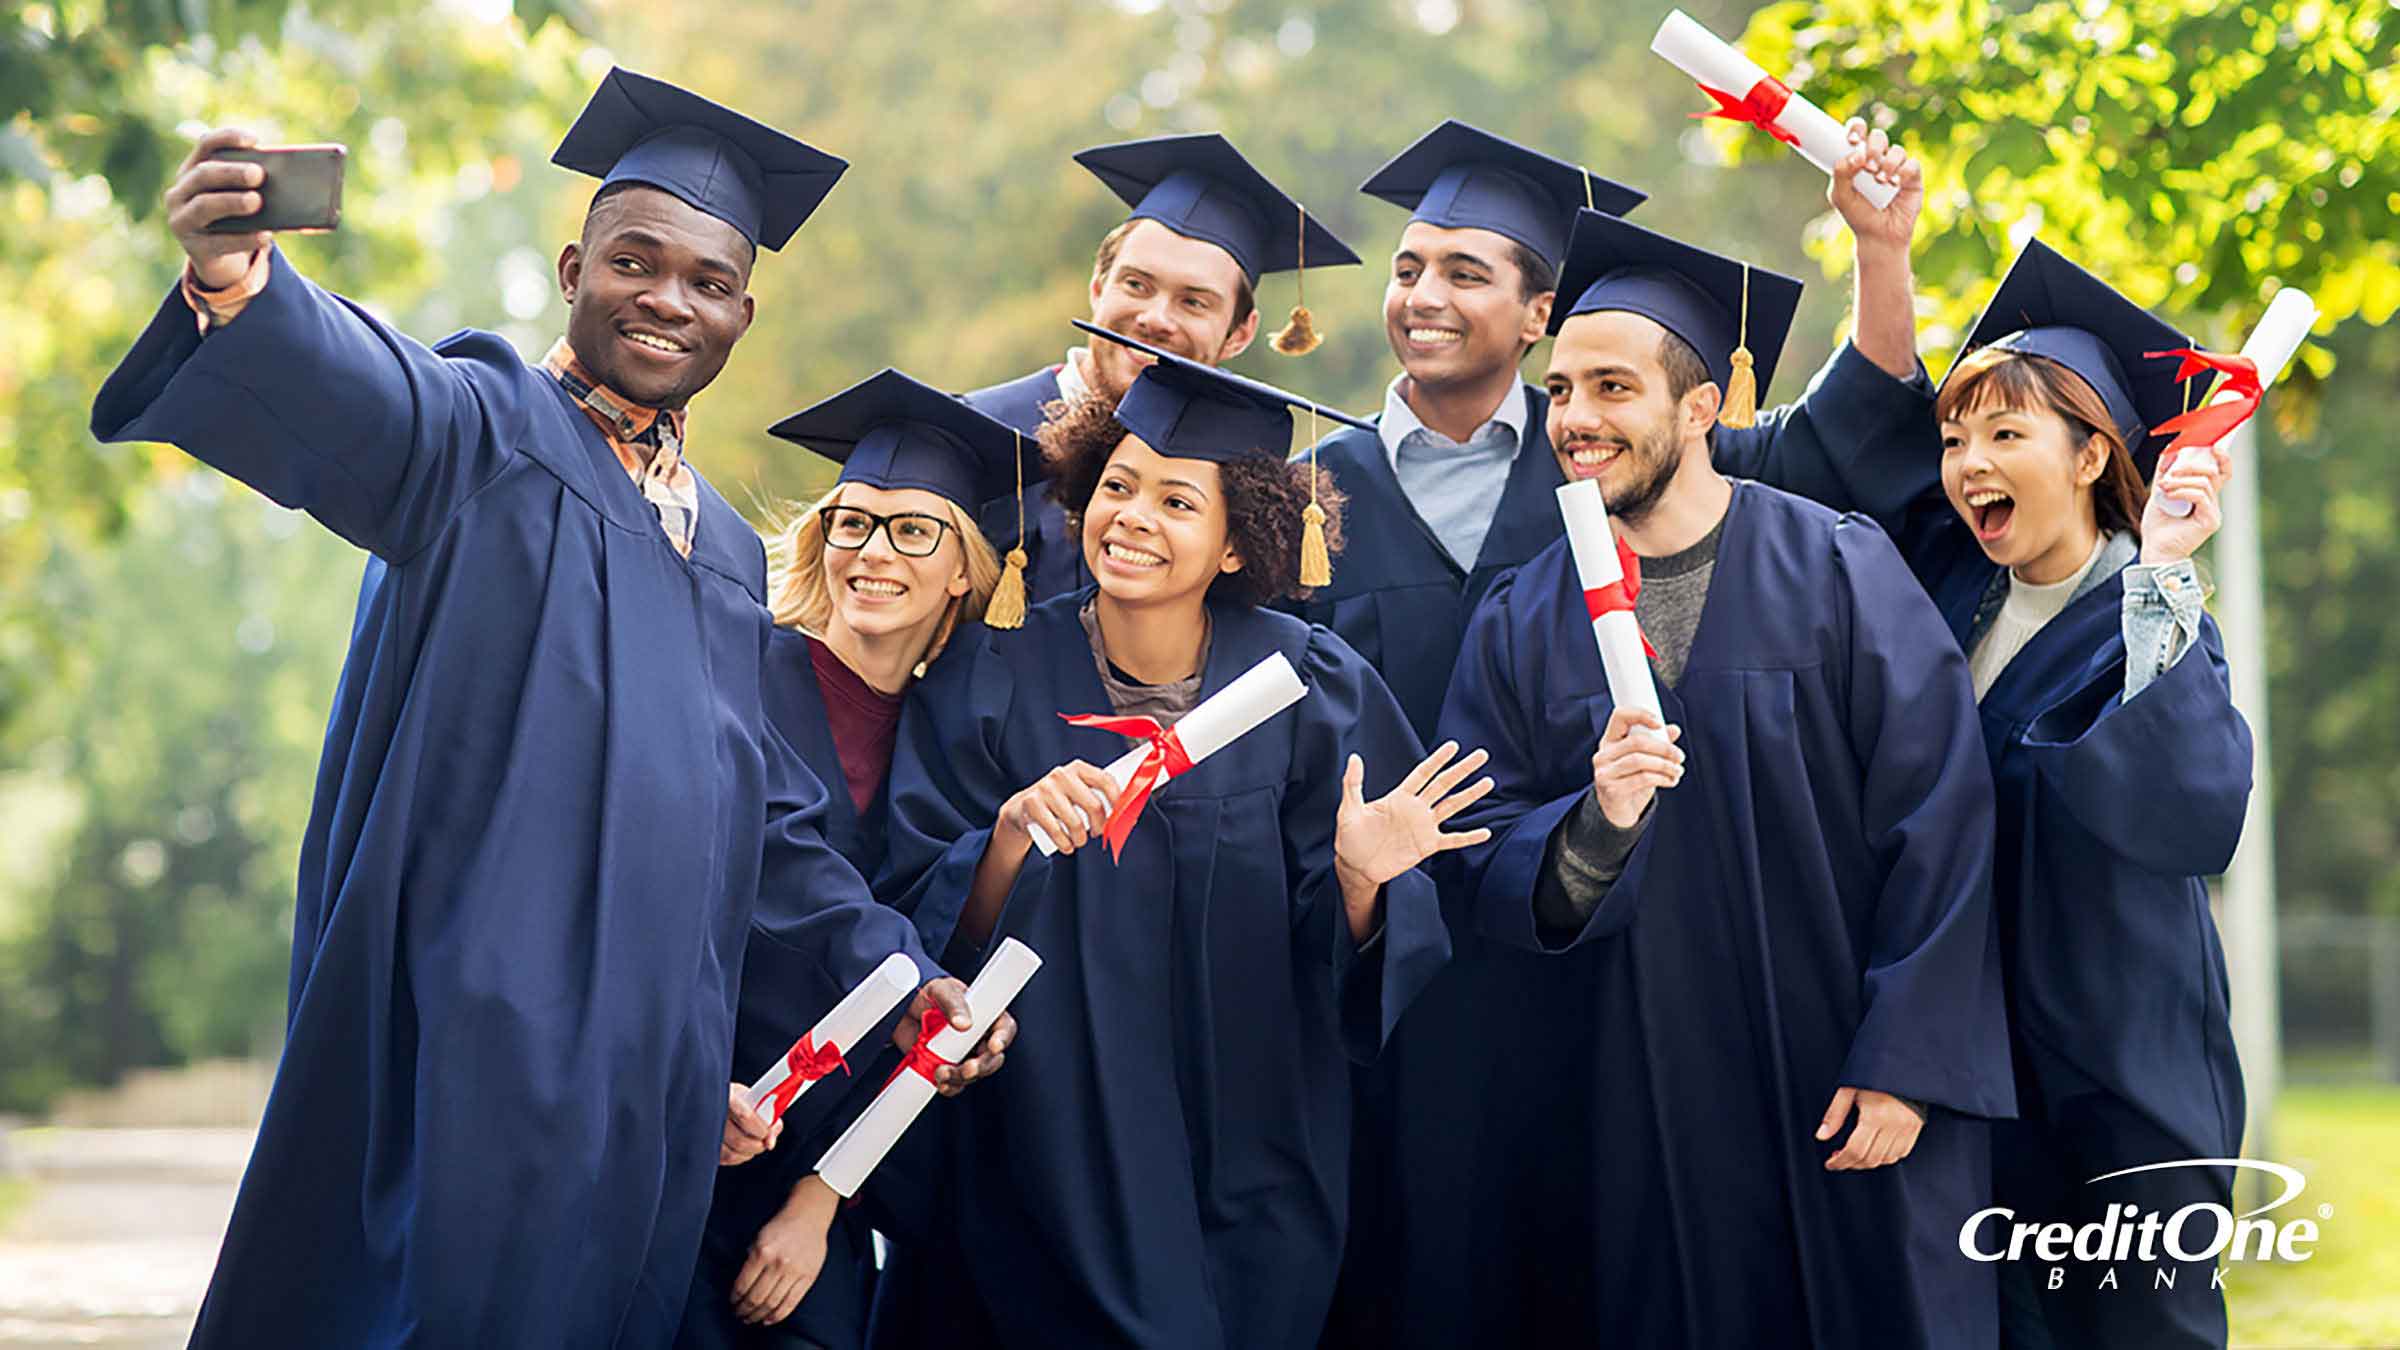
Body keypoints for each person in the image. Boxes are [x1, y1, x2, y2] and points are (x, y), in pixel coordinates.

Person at [90, 70, 1004, 1348]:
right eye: (637, 262)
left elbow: (774, 835)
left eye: (708, 281)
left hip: (652, 1079)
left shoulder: (729, 556)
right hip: (482, 1037)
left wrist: (897, 976)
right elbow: (374, 391)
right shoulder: (490, 434)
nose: (668, 300)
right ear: (576, 265)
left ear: (744, 309)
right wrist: (236, 283)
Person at [1317, 118, 1941, 1347]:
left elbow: (1854, 429)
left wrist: (1881, 249)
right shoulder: (1311, 497)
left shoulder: (1745, 521)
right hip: (1467, 973)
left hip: (1733, 998)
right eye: (1408, 266)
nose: (1583, 413)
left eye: (1468, 270)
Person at [1425, 207, 2014, 1348]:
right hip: (1626, 1100)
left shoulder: (1837, 565)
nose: (1576, 420)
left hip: (1835, 1081)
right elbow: (1480, 848)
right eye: (1560, 392)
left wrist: (1906, 1063)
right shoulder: (1520, 614)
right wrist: (1594, 823)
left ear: (1700, 410)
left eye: (1611, 389)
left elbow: (1942, 818)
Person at [868, 325, 1484, 1349]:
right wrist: (1011, 834)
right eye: (1118, 484)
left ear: (1238, 540)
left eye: (1176, 500)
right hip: (1042, 1148)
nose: (1132, 518)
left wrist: (1363, 881)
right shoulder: (988, 673)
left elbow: (1361, 962)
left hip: (1250, 1155)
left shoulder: (1314, 690)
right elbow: (917, 917)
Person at [1721, 237, 2253, 1348]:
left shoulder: (2154, 615)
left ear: (2093, 455)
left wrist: (2165, 564)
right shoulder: (1949, 580)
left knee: (2140, 1328)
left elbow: (2192, 814)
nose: (1967, 465)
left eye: (2007, 435)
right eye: (1958, 439)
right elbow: (1849, 452)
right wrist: (1879, 245)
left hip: (2119, 1051)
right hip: (1970, 1051)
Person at [683, 372, 1022, 1350]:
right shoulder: (736, 667)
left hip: (818, 1179)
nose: (874, 553)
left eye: (913, 530)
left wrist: (821, 1198)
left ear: (964, 567)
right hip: (685, 1123)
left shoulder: (954, 744)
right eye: (853, 524)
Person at [966, 133, 1358, 601]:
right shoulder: (978, 434)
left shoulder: (1243, 478)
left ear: (1240, 334)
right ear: (1097, 287)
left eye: (1194, 302)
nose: (1155, 319)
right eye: (1136, 284)